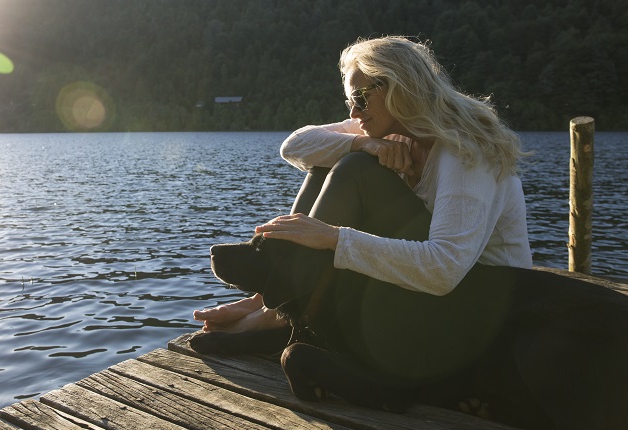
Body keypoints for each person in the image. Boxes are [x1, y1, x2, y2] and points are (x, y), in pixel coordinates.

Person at [194, 35, 532, 339]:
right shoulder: (386, 130)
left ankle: (278, 311)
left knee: (355, 169)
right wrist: (362, 145)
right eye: (349, 102)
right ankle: (271, 299)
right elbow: (295, 145)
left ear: (398, 89)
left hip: (483, 306)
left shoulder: (465, 150)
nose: (355, 111)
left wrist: (333, 237)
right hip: (436, 292)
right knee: (338, 161)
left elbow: (444, 269)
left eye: (361, 98)